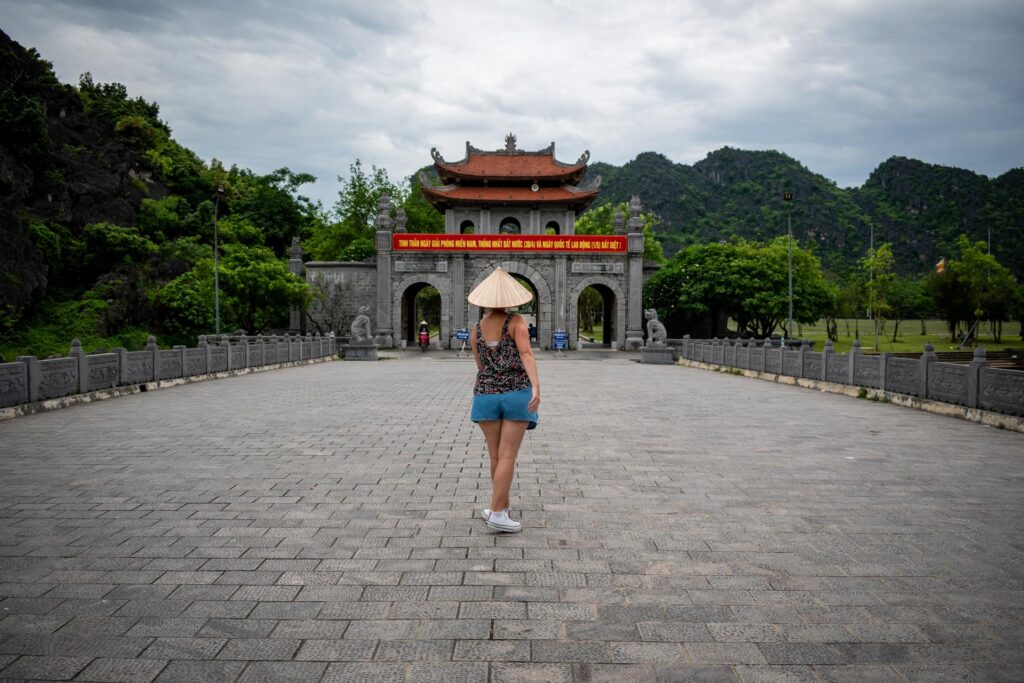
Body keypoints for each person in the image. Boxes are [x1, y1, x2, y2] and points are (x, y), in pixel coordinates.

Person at [468, 267, 540, 533]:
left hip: (485, 395)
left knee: (496, 457)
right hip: (515, 394)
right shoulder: (517, 322)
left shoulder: (475, 329)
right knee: (508, 456)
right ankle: (497, 512)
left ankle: (501, 508)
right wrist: (536, 387)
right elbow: (527, 355)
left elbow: (480, 365)